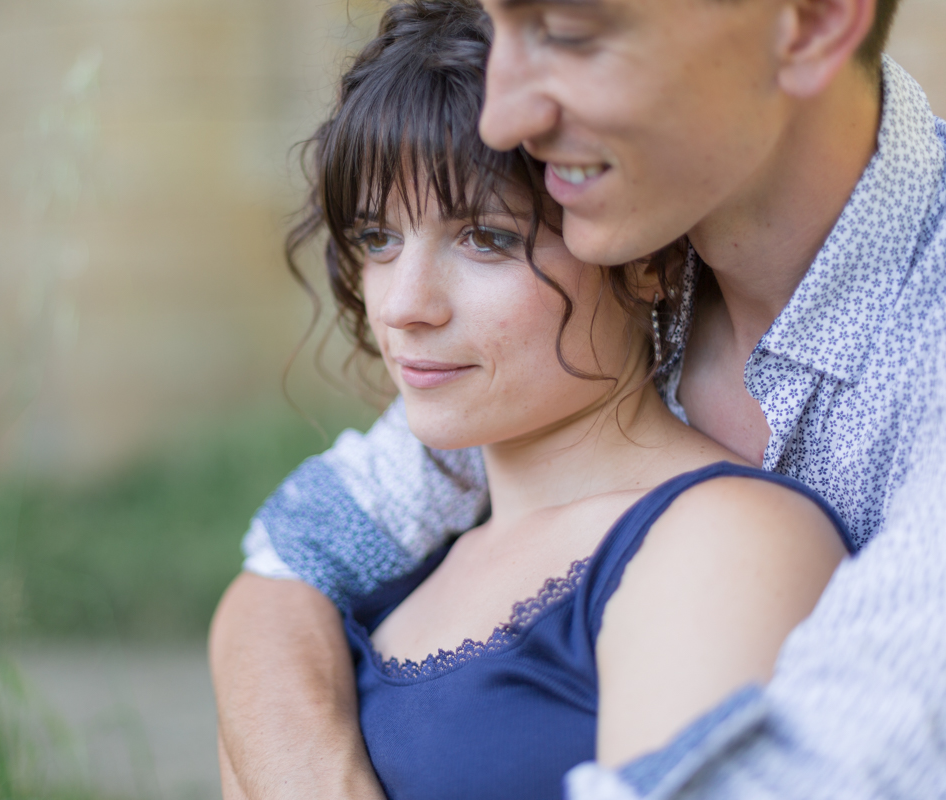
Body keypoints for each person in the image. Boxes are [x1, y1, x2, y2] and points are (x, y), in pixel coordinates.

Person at [210, 0, 946, 795]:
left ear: (809, 22)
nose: (505, 112)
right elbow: (301, 556)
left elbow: (800, 772)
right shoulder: (629, 235)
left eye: (570, 32)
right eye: (375, 237)